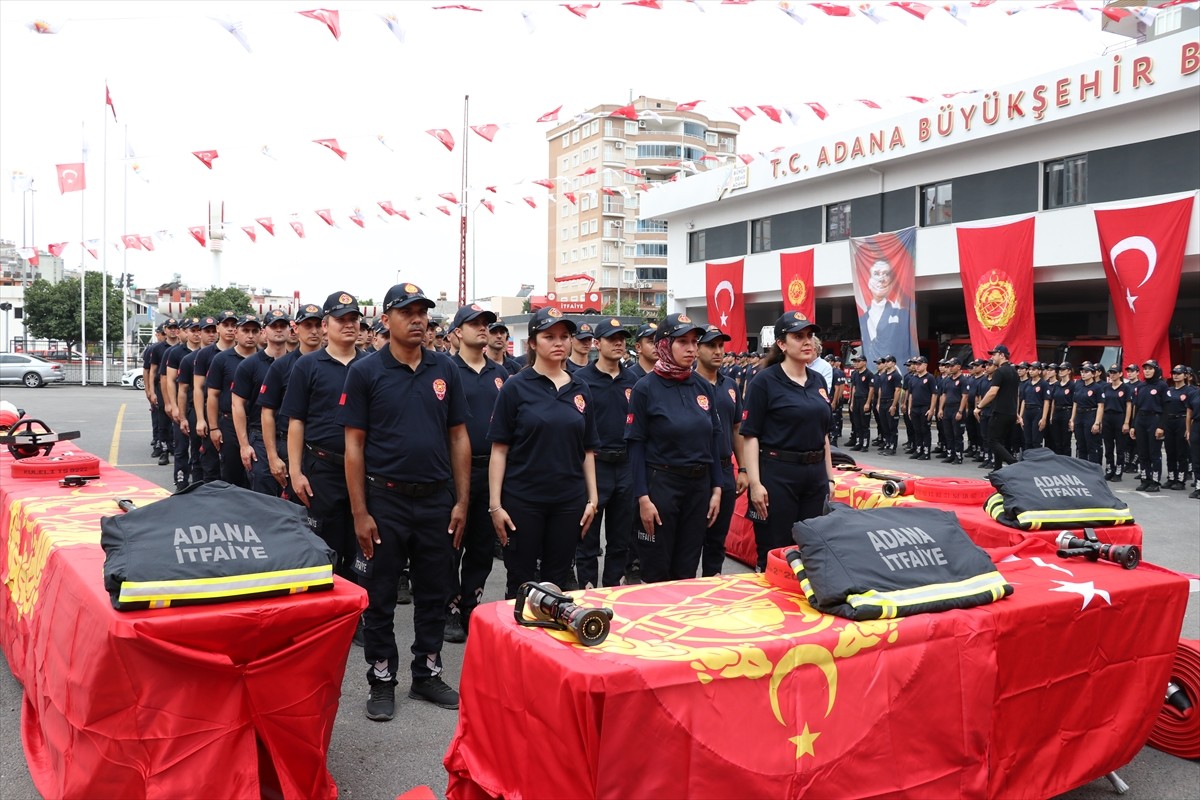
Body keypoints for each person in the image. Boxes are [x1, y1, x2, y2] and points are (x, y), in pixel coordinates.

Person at [341, 282, 470, 721]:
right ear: (386, 319)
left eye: (422, 312)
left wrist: (462, 501)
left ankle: (426, 674)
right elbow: (354, 446)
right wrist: (360, 512)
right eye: (407, 312)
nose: (417, 320)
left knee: (434, 592)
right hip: (385, 501)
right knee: (380, 595)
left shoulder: (445, 369)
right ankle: (381, 680)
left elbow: (459, 437)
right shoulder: (366, 372)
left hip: (436, 501)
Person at [488, 307, 599, 597]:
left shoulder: (581, 388)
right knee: (521, 581)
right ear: (533, 343)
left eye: (564, 336)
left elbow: (588, 449)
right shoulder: (515, 387)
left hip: (568, 500)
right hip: (523, 499)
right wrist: (495, 505)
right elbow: (499, 450)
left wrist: (593, 499)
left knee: (557, 581)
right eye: (549, 336)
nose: (558, 342)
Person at [624, 313, 722, 582]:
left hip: (698, 486)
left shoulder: (703, 386)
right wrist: (643, 498)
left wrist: (716, 487)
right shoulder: (645, 388)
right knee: (657, 567)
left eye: (694, 342)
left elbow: (714, 438)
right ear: (664, 345)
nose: (691, 348)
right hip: (662, 485)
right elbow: (636, 446)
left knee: (687, 567)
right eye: (682, 342)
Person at [282, 292, 368, 579]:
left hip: (365, 470)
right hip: (323, 470)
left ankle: (357, 603)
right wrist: (296, 472)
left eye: (353, 319)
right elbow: (296, 421)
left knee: (360, 548)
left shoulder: (372, 365)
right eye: (341, 319)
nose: (349, 325)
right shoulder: (307, 366)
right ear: (325, 325)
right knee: (323, 547)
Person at [741, 312, 834, 571]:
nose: (807, 342)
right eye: (798, 336)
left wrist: (829, 478)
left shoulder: (817, 381)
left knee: (812, 549)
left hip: (814, 475)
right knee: (776, 549)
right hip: (778, 474)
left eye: (809, 336)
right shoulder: (764, 382)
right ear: (781, 344)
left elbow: (823, 434)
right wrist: (755, 483)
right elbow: (751, 435)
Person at [442, 303, 506, 642]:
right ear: (457, 332)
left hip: (490, 469)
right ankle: (449, 607)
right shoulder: (445, 370)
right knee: (450, 542)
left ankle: (471, 604)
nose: (483, 328)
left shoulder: (500, 374)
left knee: (482, 545)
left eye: (486, 323)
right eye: (474, 323)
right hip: (453, 471)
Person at [574, 318, 638, 588]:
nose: (618, 343)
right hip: (594, 466)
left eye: (622, 338)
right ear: (597, 344)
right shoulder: (581, 381)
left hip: (625, 466)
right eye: (612, 338)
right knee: (587, 536)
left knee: (620, 538)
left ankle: (613, 590)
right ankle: (588, 592)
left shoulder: (633, 380)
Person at [694, 324, 748, 577]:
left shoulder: (730, 386)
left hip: (726, 469)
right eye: (710, 346)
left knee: (717, 539)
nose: (718, 351)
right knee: (691, 538)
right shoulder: (687, 384)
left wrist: (743, 468)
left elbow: (737, 429)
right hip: (697, 471)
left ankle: (712, 583)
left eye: (720, 346)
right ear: (696, 349)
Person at [258, 302, 324, 502]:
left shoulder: (336, 365)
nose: (314, 331)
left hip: (323, 452)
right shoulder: (282, 366)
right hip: (289, 447)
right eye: (308, 325)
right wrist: (272, 456)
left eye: (318, 325)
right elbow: (267, 413)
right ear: (296, 328)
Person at [232, 309, 291, 496]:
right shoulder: (249, 365)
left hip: (291, 437)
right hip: (260, 438)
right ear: (265, 331)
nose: (279, 330)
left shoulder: (299, 364)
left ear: (290, 330)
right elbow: (237, 405)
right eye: (274, 326)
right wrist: (244, 445)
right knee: (263, 494)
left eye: (283, 326)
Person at [206, 314, 261, 488]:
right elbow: (213, 395)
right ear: (236, 333)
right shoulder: (222, 359)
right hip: (229, 423)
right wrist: (214, 428)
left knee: (258, 475)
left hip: (258, 425)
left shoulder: (266, 359)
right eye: (246, 330)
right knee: (232, 473)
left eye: (254, 331)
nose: (250, 335)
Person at [192, 310, 239, 482]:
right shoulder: (205, 354)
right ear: (218, 327)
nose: (230, 329)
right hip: (214, 415)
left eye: (233, 325)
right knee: (211, 465)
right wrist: (200, 419)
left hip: (237, 417)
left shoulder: (246, 352)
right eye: (226, 325)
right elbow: (199, 388)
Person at [177, 317, 218, 488]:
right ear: (200, 333)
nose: (211, 335)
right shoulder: (189, 360)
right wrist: (183, 417)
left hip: (220, 412)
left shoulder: (223, 356)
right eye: (207, 331)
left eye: (213, 331)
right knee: (198, 455)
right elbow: (183, 390)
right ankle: (197, 488)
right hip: (197, 410)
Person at [164, 318, 202, 490]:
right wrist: (173, 405)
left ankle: (197, 480)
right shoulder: (176, 353)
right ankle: (181, 480)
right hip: (182, 405)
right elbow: (170, 381)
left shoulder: (207, 353)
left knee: (198, 448)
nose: (196, 334)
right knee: (181, 446)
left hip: (198, 407)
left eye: (198, 330)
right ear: (185, 332)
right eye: (192, 330)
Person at [858, 258, 914, 367]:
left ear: (892, 283)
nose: (881, 279)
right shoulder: (863, 319)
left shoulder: (902, 314)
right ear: (868, 282)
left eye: (886, 274)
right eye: (876, 274)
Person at [974, 344, 1019, 468]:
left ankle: (1014, 464)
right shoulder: (1014, 371)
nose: (992, 357)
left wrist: (979, 407)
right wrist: (1016, 412)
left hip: (1000, 412)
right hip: (1010, 413)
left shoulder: (999, 371)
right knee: (1000, 441)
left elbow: (992, 392)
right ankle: (997, 469)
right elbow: (1016, 394)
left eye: (994, 354)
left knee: (992, 441)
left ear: (1002, 355)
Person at [1131, 360, 1168, 492]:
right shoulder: (1140, 386)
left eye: (1150, 369)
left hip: (1154, 419)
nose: (1147, 371)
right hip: (1141, 419)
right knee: (1143, 452)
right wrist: (1133, 425)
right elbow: (1136, 407)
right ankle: (1145, 479)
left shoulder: (1162, 386)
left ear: (1156, 370)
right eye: (1145, 369)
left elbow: (1166, 407)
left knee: (1154, 453)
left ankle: (1155, 481)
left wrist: (1161, 426)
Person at [1093, 366, 1132, 482]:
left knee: (1120, 447)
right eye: (1110, 372)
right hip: (1107, 417)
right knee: (1108, 446)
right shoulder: (1105, 387)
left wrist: (1126, 422)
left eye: (1115, 373)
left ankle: (1118, 472)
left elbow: (1129, 406)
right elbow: (1101, 405)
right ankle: (1110, 469)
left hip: (1119, 416)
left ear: (1120, 374)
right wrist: (1100, 421)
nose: (1112, 375)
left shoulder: (1125, 388)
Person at [1163, 365, 1191, 490]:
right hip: (1169, 421)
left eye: (1179, 373)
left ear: (1185, 375)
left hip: (1182, 421)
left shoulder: (1189, 391)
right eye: (1174, 373)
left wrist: (1188, 428)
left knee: (1181, 453)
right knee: (1170, 452)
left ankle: (1181, 480)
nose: (1176, 375)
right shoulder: (1169, 390)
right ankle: (1171, 477)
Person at [938, 357, 968, 463]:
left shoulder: (963, 380)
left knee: (957, 434)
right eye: (949, 366)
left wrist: (960, 411)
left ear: (959, 367)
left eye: (952, 366)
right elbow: (944, 395)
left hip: (956, 407)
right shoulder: (947, 380)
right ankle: (950, 454)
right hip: (947, 408)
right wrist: (941, 409)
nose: (950, 368)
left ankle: (958, 456)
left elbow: (964, 396)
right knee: (948, 433)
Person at [906, 356, 934, 460]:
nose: (917, 366)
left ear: (925, 365)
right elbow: (911, 394)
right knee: (916, 430)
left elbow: (934, 394)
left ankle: (926, 452)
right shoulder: (913, 378)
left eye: (919, 364)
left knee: (925, 430)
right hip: (915, 407)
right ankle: (918, 450)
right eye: (916, 364)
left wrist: (931, 409)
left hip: (925, 407)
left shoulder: (929, 378)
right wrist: (909, 408)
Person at [873, 355, 901, 455]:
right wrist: (878, 402)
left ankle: (892, 447)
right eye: (885, 361)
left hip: (890, 401)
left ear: (893, 363)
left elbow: (897, 391)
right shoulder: (883, 375)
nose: (886, 363)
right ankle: (887, 444)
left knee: (892, 426)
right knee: (884, 425)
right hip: (883, 402)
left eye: (888, 361)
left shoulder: (896, 375)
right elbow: (880, 389)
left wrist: (893, 405)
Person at [1017, 362, 1047, 452]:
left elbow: (1046, 401)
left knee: (1036, 439)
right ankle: (1028, 458)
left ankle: (1036, 458)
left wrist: (1044, 418)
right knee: (1027, 439)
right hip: (1027, 411)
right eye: (1029, 369)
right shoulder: (1027, 383)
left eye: (1033, 369)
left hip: (1037, 410)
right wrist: (1021, 416)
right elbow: (1023, 400)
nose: (1031, 371)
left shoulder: (1043, 384)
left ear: (1039, 371)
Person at [847, 354, 873, 451]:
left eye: (858, 361)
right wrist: (852, 402)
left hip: (864, 399)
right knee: (857, 423)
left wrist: (868, 403)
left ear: (864, 362)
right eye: (855, 361)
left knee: (864, 424)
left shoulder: (869, 374)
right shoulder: (855, 374)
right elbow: (853, 388)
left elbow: (871, 389)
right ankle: (859, 442)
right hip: (856, 400)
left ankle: (865, 444)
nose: (856, 363)